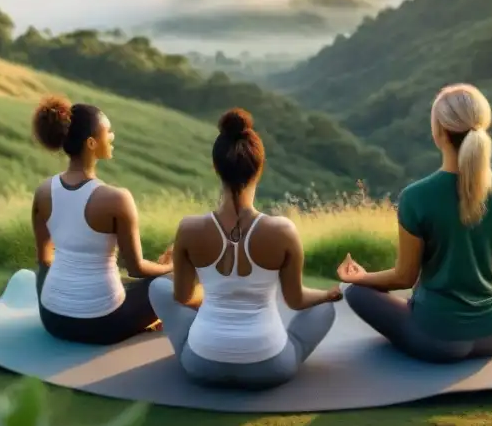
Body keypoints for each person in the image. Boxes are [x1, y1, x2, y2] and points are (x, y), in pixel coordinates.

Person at [339, 83, 492, 363]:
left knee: (355, 292)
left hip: (436, 340)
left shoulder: (416, 196)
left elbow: (404, 277)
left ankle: (401, 307)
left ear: (438, 132)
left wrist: (362, 277)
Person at [149, 108, 342, 390]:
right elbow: (296, 300)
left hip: (201, 364)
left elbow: (182, 296)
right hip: (269, 366)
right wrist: (329, 294)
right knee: (325, 309)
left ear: (216, 168)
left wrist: (217, 294)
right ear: (259, 169)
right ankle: (287, 350)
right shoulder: (282, 230)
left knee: (157, 287)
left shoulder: (189, 228)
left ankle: (205, 334)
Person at [31, 94, 172, 346]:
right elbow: (137, 268)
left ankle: (67, 300)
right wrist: (171, 267)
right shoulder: (116, 198)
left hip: (51, 319)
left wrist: (68, 292)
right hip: (102, 325)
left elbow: (44, 258)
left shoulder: (43, 191)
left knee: (47, 268)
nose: (112, 136)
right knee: (179, 277)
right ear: (92, 143)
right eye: (108, 131)